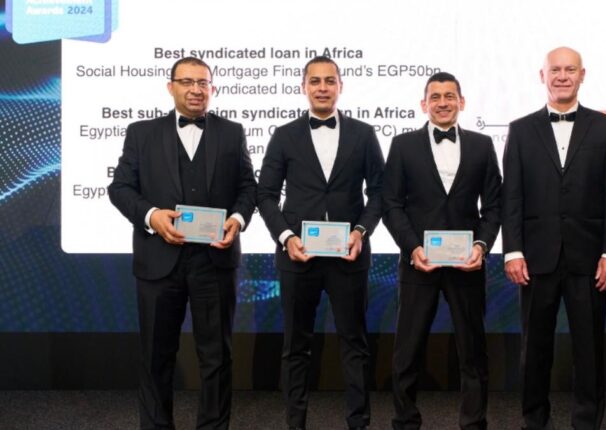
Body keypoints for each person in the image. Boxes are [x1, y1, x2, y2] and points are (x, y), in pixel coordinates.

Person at [108, 57, 256, 429]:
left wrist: (237, 220)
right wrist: (151, 216)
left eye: (202, 83)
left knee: (216, 357)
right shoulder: (141, 133)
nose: (195, 90)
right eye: (187, 82)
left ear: (212, 88)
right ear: (170, 86)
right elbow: (120, 188)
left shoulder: (232, 132)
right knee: (156, 357)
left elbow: (248, 188)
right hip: (158, 260)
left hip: (214, 261)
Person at [502, 47, 606, 430]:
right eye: (555, 69)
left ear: (582, 75)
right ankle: (534, 421)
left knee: (589, 349)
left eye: (569, 69)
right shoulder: (520, 130)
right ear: (542, 75)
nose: (562, 76)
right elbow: (512, 197)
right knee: (534, 349)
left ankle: (586, 422)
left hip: (590, 259)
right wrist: (512, 251)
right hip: (535, 258)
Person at [256, 56, 384, 430]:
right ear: (304, 87)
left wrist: (360, 232)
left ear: (340, 86)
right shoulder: (284, 135)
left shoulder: (364, 134)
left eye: (330, 80)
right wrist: (286, 237)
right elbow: (266, 195)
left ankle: (358, 423)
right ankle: (295, 424)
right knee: (296, 347)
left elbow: (379, 193)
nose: (323, 87)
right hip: (298, 258)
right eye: (315, 81)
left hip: (349, 257)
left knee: (355, 345)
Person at [382, 72, 502, 430]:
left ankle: (474, 423)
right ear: (424, 104)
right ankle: (405, 422)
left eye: (450, 96)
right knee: (407, 352)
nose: (443, 102)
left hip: (468, 265)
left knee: (473, 352)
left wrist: (481, 245)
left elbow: (493, 206)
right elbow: (391, 205)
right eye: (435, 97)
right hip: (418, 264)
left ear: (461, 102)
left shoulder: (482, 145)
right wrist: (413, 247)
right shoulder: (403, 145)